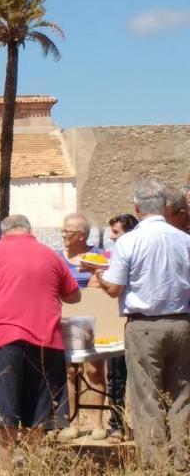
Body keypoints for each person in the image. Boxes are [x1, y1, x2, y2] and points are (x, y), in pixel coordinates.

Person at [0, 214, 80, 470]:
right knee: (38, 409)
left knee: (3, 408)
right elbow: (73, 295)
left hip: (3, 341)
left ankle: (5, 468)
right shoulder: (50, 255)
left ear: (3, 233)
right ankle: (34, 465)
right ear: (30, 231)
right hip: (45, 341)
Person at [93, 179, 190, 470]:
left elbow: (114, 288)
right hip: (182, 323)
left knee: (148, 397)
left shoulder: (129, 241)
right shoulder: (185, 240)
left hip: (144, 325)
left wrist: (99, 274)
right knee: (182, 396)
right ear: (164, 206)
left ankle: (155, 463)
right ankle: (182, 459)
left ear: (136, 207)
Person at [56, 212, 107, 441]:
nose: (63, 234)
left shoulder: (98, 256)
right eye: (63, 230)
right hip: (65, 320)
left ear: (82, 235)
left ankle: (97, 423)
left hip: (94, 319)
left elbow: (102, 285)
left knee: (94, 370)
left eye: (68, 231)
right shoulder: (57, 258)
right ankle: (73, 422)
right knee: (70, 371)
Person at [102, 213, 138, 443]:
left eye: (116, 232)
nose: (112, 237)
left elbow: (114, 288)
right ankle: (116, 424)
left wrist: (99, 275)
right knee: (115, 376)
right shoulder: (108, 257)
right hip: (113, 325)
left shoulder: (135, 254)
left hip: (136, 322)